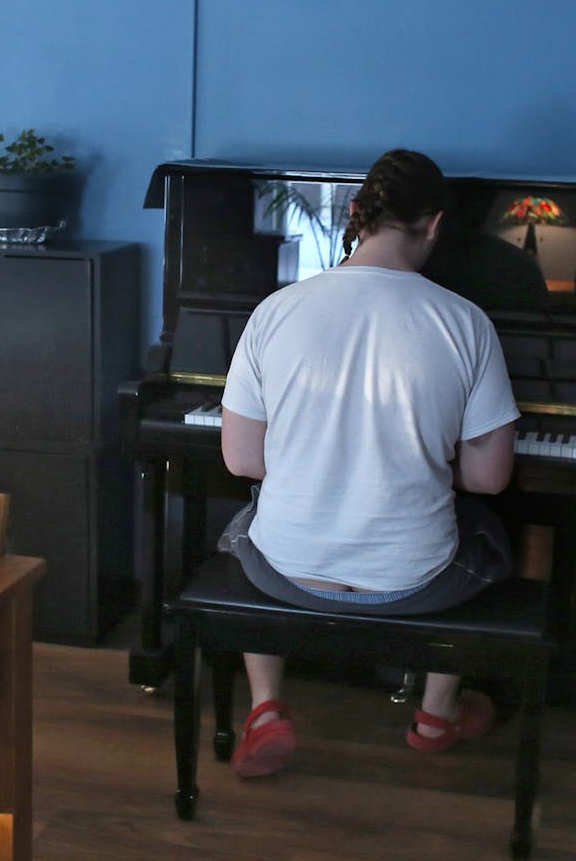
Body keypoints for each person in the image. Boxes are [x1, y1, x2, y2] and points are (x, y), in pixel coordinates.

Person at [218, 148, 521, 778]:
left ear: (356, 214)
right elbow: (489, 478)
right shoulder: (466, 323)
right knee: (487, 531)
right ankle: (436, 712)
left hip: (285, 574)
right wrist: (413, 464)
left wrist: (319, 462)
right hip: (415, 583)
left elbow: (243, 460)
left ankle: (268, 707)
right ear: (435, 225)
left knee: (242, 529)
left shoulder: (274, 311)